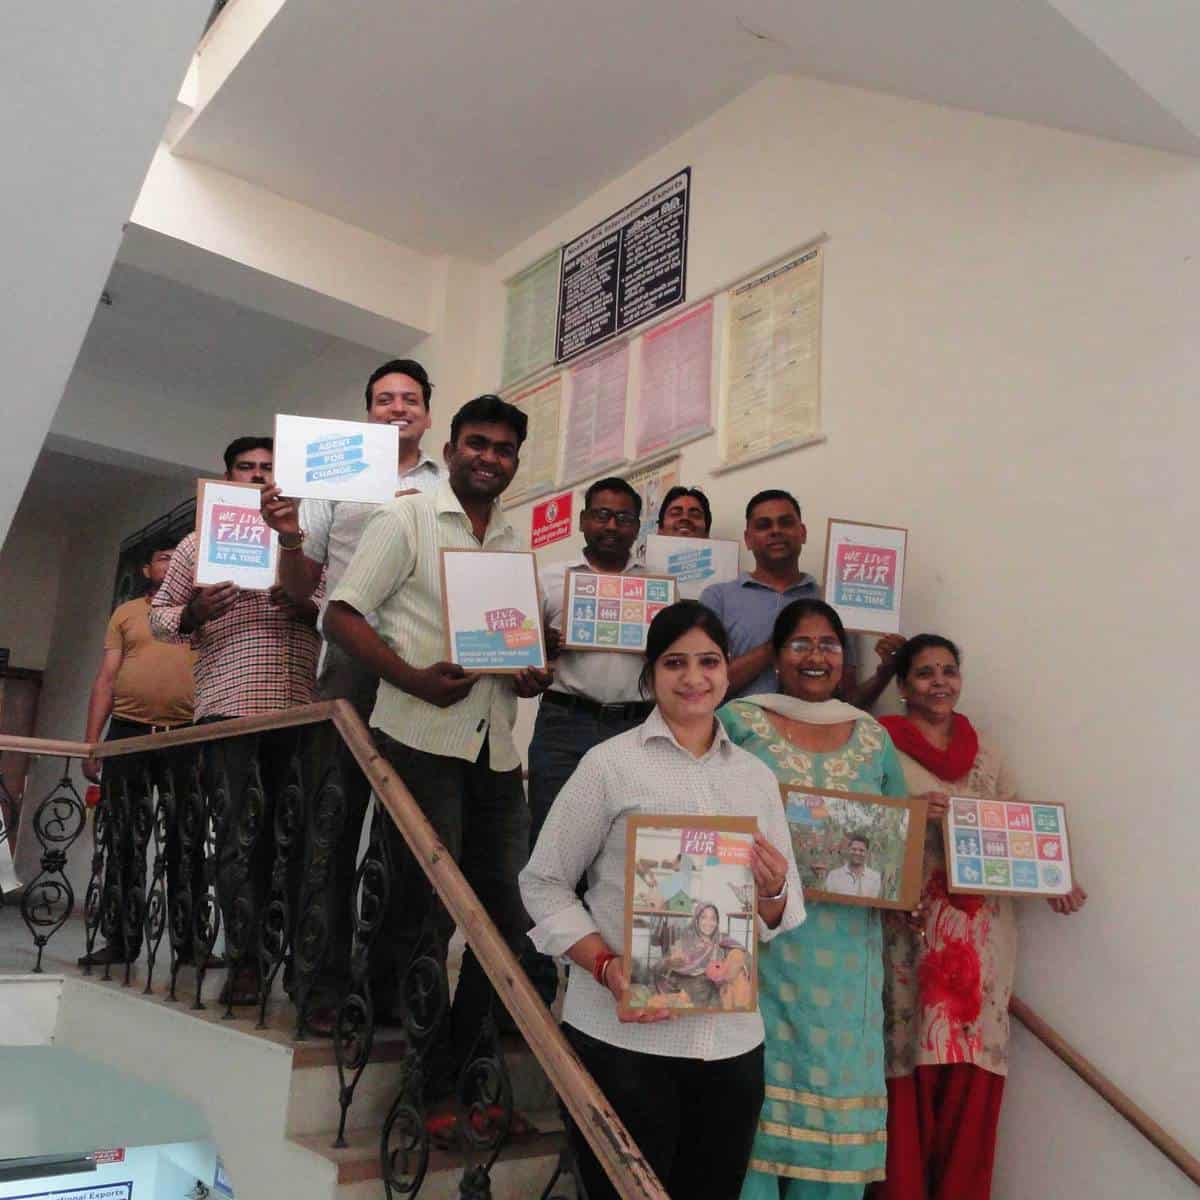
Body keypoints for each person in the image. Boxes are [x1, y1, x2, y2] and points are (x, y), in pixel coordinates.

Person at [521, 600, 804, 1200]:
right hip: (623, 1041)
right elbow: (543, 882)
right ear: (650, 676)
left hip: (732, 1045)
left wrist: (775, 889)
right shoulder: (609, 766)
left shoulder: (754, 776)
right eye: (675, 663)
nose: (694, 678)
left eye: (708, 661)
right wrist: (607, 967)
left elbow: (782, 911)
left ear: (729, 671)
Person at [324, 394, 553, 1097]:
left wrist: (531, 672)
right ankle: (421, 1079)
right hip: (419, 737)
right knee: (424, 909)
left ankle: (461, 1060)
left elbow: (511, 651)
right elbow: (340, 615)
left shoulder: (516, 542)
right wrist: (411, 679)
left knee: (509, 916)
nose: (489, 458)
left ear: (516, 462)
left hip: (494, 750)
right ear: (451, 451)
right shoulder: (407, 518)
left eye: (504, 449)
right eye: (477, 444)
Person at [872, 635, 1087, 1200]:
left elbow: (1013, 835)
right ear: (902, 686)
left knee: (971, 1071)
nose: (939, 682)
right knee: (909, 1062)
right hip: (911, 934)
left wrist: (1054, 877)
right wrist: (915, 814)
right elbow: (860, 833)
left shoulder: (986, 753)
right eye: (924, 673)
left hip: (981, 938)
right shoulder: (878, 747)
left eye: (948, 671)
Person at [717, 597, 908, 1198]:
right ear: (776, 656)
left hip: (846, 951)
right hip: (760, 939)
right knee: (753, 1088)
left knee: (835, 1086)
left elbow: (895, 836)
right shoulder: (738, 722)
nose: (816, 655)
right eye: (800, 643)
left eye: (829, 644)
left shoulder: (873, 738)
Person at [150, 436, 322, 1007]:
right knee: (238, 841)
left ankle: (299, 961)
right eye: (245, 468)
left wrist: (303, 603)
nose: (256, 476)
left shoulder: (309, 541)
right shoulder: (198, 542)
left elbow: (341, 613)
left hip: (300, 705)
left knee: (297, 839)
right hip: (227, 707)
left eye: (268, 469)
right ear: (226, 477)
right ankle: (246, 959)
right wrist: (194, 611)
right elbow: (159, 618)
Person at [525, 476, 654, 1000]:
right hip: (565, 722)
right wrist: (541, 647)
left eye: (623, 518)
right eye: (601, 514)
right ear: (582, 520)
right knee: (551, 849)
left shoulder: (655, 588)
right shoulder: (549, 580)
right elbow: (516, 657)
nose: (611, 526)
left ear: (637, 527)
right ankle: (535, 981)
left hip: (636, 725)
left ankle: (601, 976)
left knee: (623, 853)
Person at [261, 358, 441, 717]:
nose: (398, 408)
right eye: (385, 400)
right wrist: (288, 536)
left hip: (429, 653)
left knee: (415, 773)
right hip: (351, 652)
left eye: (411, 399)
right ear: (370, 414)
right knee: (340, 769)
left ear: (427, 416)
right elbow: (298, 590)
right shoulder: (329, 481)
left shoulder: (448, 485)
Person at [77, 541, 196, 967]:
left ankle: (192, 946)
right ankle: (120, 942)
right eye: (165, 556)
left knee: (188, 839)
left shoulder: (207, 610)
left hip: (188, 736)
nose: (173, 561)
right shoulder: (126, 613)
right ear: (147, 570)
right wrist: (94, 742)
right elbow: (106, 679)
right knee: (123, 839)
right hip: (127, 734)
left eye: (180, 556)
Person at [700, 490, 900, 708]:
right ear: (748, 539)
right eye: (764, 525)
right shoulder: (718, 597)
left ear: (802, 533)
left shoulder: (834, 601)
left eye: (785, 523)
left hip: (817, 735)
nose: (775, 531)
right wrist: (779, 643)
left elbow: (848, 701)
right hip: (737, 735)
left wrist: (886, 672)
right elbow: (703, 684)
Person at [652, 901, 746, 1008]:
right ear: (696, 920)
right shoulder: (685, 941)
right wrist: (671, 963)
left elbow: (743, 956)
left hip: (716, 992)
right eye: (704, 917)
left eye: (713, 918)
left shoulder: (723, 940)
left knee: (739, 980)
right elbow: (660, 967)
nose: (708, 923)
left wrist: (734, 963)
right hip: (689, 989)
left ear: (717, 922)